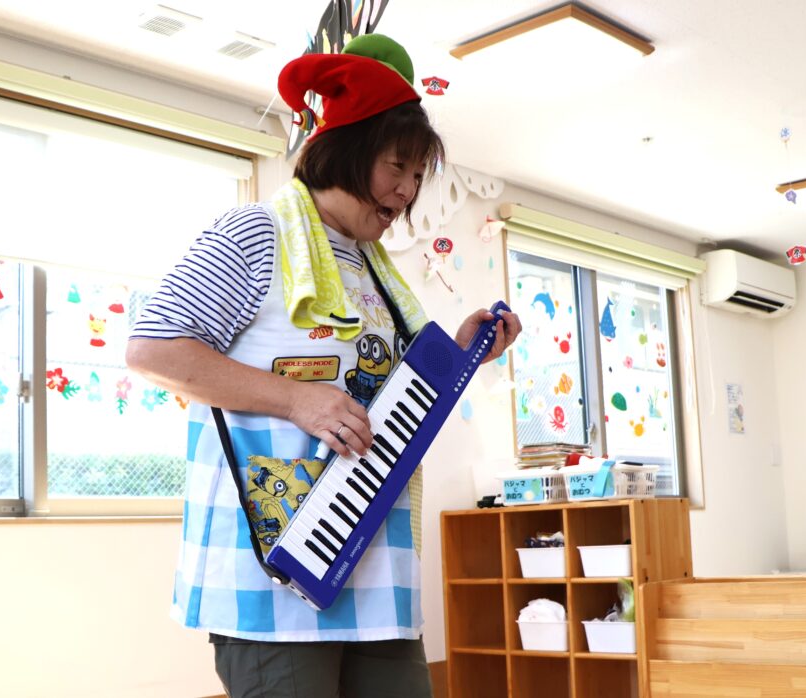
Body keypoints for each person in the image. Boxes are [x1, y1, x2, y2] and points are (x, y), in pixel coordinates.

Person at [126, 33, 521, 698]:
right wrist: (296, 399)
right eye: (398, 167)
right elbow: (153, 348)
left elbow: (392, 403)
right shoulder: (255, 233)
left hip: (376, 574)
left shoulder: (377, 272)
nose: (408, 191)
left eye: (418, 176)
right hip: (273, 578)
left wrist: (462, 350)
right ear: (350, 148)